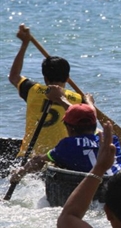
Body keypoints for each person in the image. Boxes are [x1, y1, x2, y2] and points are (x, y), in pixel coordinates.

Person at [8, 24, 84, 157]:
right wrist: (88, 102)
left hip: (28, 156)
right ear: (67, 78)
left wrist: (24, 44)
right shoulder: (77, 100)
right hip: (58, 158)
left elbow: (13, 76)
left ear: (45, 78)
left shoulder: (32, 90)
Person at [9, 99, 121, 184]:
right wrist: (88, 101)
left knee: (54, 162)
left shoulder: (67, 145)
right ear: (94, 124)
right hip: (115, 187)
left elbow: (38, 161)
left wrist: (22, 172)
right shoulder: (112, 140)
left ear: (69, 128)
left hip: (89, 191)